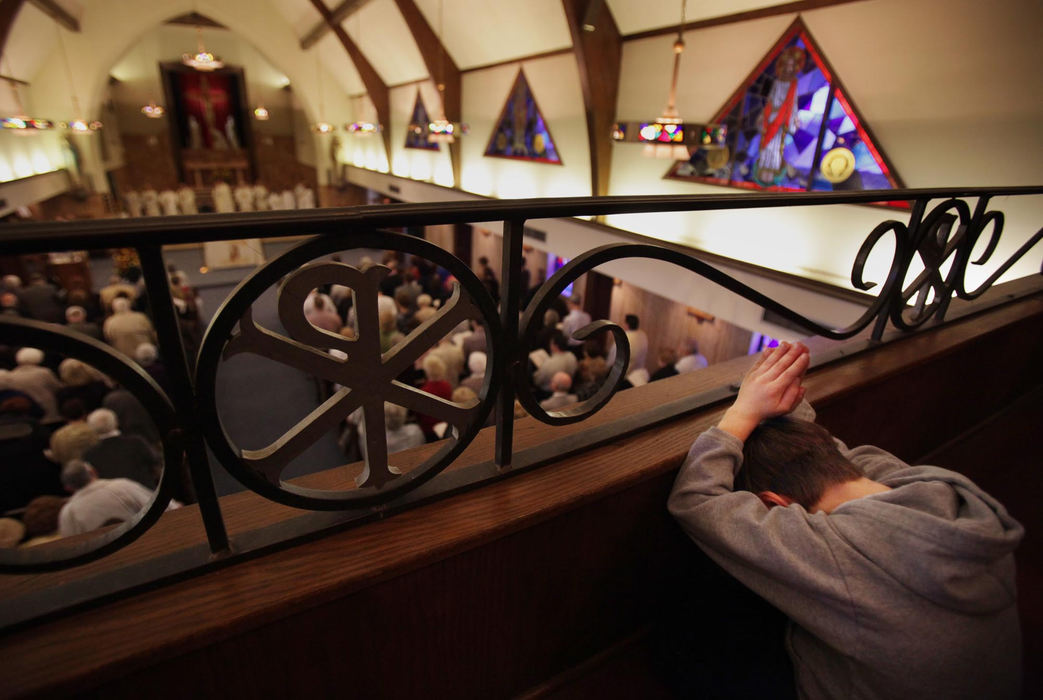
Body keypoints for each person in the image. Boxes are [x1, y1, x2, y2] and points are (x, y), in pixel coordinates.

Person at [668, 342, 1023, 699]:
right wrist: (768, 401)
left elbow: (695, 499)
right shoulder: (937, 489)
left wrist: (742, 414)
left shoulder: (836, 551)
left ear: (774, 504)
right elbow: (839, 454)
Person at [57, 459, 156, 537]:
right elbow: (164, 508)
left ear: (68, 488)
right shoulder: (123, 486)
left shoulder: (68, 513)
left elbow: (73, 549)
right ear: (93, 472)